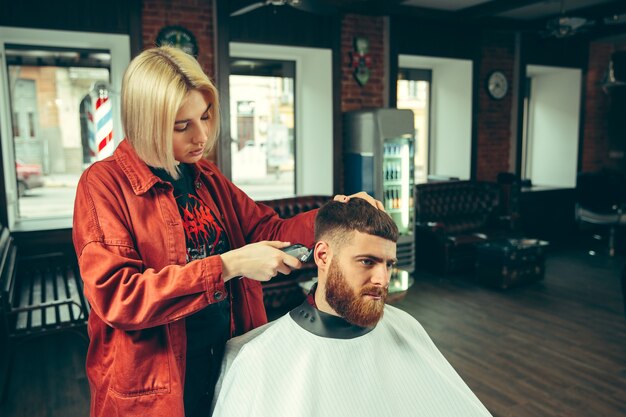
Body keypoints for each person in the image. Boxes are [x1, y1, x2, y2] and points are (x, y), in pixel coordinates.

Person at [72, 46, 382, 417]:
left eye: (204, 116)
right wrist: (226, 266)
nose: (201, 136)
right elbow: (119, 297)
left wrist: (336, 216)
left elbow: (269, 228)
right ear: (146, 124)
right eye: (181, 125)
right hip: (156, 389)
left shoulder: (206, 177)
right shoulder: (102, 185)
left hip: (227, 363)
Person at [211, 198, 493, 417]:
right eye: (367, 261)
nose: (383, 280)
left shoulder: (405, 327)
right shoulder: (260, 358)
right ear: (322, 255)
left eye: (389, 264)